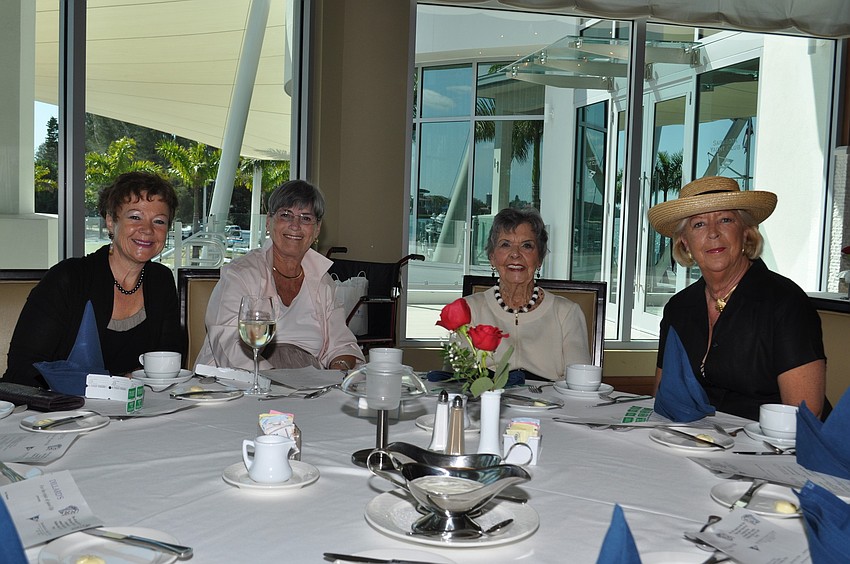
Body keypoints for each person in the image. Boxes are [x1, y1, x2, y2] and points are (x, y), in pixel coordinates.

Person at [648, 176, 828, 421]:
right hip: (698, 442)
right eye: (699, 224)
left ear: (745, 233)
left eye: (725, 220)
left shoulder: (786, 303)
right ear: (684, 242)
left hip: (774, 449)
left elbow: (804, 416)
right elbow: (664, 396)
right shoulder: (678, 309)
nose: (713, 233)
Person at [4, 171, 185, 387]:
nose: (147, 230)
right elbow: (23, 369)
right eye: (135, 217)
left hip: (134, 411)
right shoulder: (69, 278)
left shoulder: (161, 281)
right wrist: (112, 385)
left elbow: (171, 361)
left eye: (159, 221)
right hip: (59, 411)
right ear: (111, 221)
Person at [196, 180, 364, 372]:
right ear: (269, 222)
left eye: (306, 218)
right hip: (247, 381)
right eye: (286, 215)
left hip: (309, 385)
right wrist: (276, 382)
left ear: (317, 230)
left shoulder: (323, 282)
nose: (295, 225)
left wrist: (337, 371)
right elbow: (227, 344)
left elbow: (342, 344)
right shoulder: (240, 274)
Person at [462, 207, 591, 381]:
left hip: (552, 406)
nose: (515, 254)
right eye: (505, 244)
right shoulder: (469, 310)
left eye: (527, 246)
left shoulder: (566, 313)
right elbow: (458, 378)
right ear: (492, 257)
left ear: (539, 259)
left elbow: (580, 384)